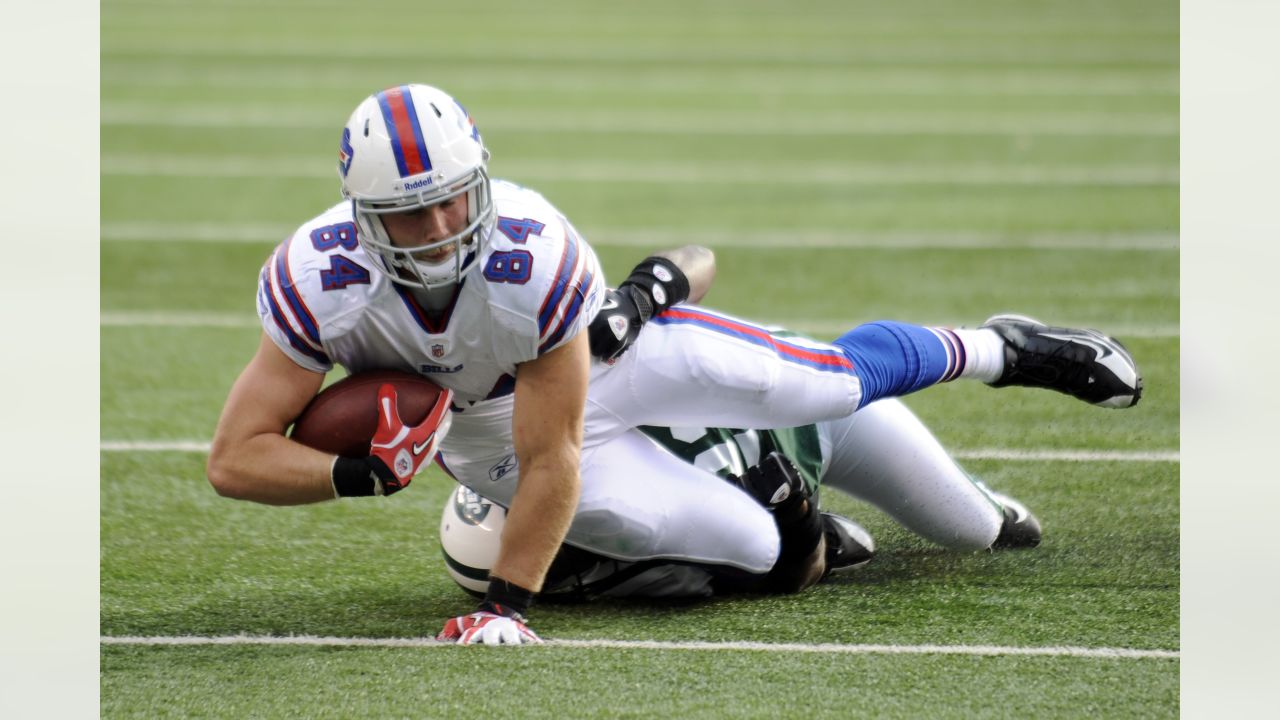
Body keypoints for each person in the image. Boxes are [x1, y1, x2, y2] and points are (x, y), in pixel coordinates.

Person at [207, 83, 1143, 646]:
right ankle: (774, 486)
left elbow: (559, 450)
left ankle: (1000, 348)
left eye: (455, 201)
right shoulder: (318, 278)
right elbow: (235, 456)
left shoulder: (532, 252)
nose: (443, 228)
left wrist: (506, 608)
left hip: (592, 382)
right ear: (364, 221)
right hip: (485, 432)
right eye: (414, 213)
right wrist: (354, 472)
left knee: (813, 379)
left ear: (480, 183)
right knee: (768, 552)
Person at [439, 395, 1040, 601]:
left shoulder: (573, 438)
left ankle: (1000, 345)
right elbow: (788, 565)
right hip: (776, 460)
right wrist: (802, 521)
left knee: (980, 529)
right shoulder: (636, 525)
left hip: (825, 412)